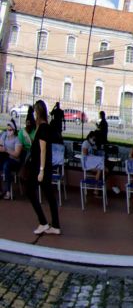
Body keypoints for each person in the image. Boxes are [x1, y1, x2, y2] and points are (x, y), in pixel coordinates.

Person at [26, 100, 60, 235]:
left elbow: (43, 150)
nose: (34, 114)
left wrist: (41, 170)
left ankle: (44, 223)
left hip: (40, 167)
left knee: (31, 192)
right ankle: (54, 225)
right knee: (50, 196)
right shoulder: (42, 127)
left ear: (38, 112)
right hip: (41, 167)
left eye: (35, 112)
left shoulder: (44, 128)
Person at [0, 120, 23, 199]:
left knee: (7, 166)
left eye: (10, 130)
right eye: (7, 129)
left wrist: (6, 150)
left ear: (14, 130)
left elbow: (17, 154)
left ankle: (8, 191)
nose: (8, 131)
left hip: (14, 162)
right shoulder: (4, 136)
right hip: (5, 158)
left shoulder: (17, 140)